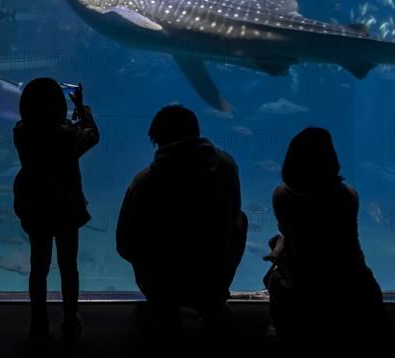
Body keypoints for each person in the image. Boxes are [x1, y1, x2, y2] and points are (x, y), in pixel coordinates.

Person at [116, 104, 248, 342]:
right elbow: (234, 214)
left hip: (162, 281)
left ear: (158, 141)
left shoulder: (142, 183)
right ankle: (212, 305)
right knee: (240, 219)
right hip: (213, 274)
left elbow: (124, 244)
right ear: (197, 132)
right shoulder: (228, 166)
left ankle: (166, 307)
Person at [267, 126, 394, 352]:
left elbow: (286, 231)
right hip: (354, 282)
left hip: (305, 283)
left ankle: (285, 329)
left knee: (275, 266)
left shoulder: (280, 196)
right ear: (331, 162)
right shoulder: (349, 195)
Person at [13, 78, 99, 342]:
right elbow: (91, 135)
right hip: (65, 210)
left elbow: (44, 130)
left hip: (35, 208)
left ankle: (38, 322)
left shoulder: (21, 133)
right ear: (59, 108)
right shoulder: (67, 136)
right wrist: (82, 109)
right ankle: (70, 319)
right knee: (68, 266)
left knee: (38, 268)